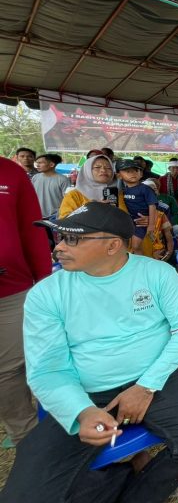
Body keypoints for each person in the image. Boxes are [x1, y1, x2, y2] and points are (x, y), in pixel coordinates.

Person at [2, 202, 178, 502]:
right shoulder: (47, 293)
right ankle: (125, 475)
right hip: (86, 391)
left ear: (112, 246)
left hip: (158, 377)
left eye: (73, 239)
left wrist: (146, 385)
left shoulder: (157, 274)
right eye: (60, 238)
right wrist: (81, 411)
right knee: (24, 495)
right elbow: (48, 368)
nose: (59, 248)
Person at [0, 158, 50, 450]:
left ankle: (28, 439)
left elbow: (32, 230)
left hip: (11, 290)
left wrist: (43, 283)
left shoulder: (11, 173)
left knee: (12, 366)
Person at [116, 159, 158, 254]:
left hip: (141, 222)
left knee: (135, 245)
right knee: (129, 245)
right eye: (128, 171)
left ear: (141, 174)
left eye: (136, 170)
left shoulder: (145, 189)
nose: (133, 173)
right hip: (130, 222)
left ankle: (140, 260)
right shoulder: (123, 191)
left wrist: (151, 225)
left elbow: (152, 206)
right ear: (119, 176)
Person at [31, 153, 69, 218]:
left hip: (55, 216)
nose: (37, 165)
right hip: (36, 215)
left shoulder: (63, 179)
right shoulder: (35, 177)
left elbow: (67, 199)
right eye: (37, 163)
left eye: (40, 163)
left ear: (51, 164)